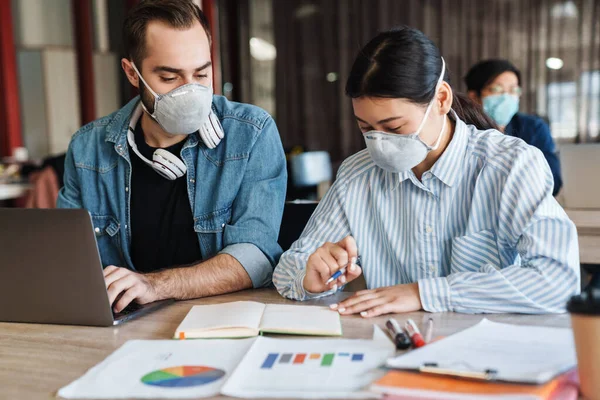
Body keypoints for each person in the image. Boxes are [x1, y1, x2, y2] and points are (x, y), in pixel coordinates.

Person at [273, 27, 579, 316]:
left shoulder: (510, 166)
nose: (379, 143)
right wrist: (309, 277)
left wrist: (424, 293)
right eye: (366, 128)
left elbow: (558, 282)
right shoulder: (357, 175)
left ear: (442, 99)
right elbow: (288, 269)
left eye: (394, 127)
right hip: (391, 351)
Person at [57, 0, 287, 313]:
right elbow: (68, 262)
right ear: (132, 73)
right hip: (126, 329)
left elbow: (256, 256)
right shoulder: (87, 149)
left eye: (202, 74)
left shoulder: (251, 133)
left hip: (221, 320)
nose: (190, 90)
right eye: (170, 77)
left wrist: (154, 285)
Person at [464, 59, 562, 195]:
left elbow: (553, 180)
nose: (506, 96)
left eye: (514, 90)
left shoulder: (533, 127)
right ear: (473, 96)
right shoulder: (462, 131)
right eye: (496, 89)